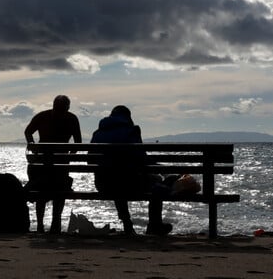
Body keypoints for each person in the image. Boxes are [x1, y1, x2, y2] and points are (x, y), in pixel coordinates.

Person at [91, 105, 172, 236]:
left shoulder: (97, 133)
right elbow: (141, 159)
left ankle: (127, 224)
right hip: (130, 184)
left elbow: (90, 160)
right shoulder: (131, 131)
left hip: (103, 185)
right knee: (157, 183)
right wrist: (160, 169)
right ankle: (154, 225)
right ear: (128, 117)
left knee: (116, 178)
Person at [24, 95, 82, 233]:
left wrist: (34, 148)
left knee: (40, 192)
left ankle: (39, 225)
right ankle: (56, 222)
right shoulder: (71, 118)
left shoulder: (42, 116)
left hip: (42, 161)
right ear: (68, 107)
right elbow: (78, 142)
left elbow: (28, 132)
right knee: (60, 190)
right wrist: (70, 157)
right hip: (62, 162)